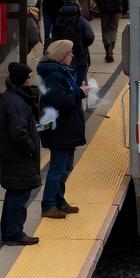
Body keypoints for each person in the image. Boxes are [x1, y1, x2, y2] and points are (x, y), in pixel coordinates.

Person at [37, 40, 89, 219]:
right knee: (58, 168)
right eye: (69, 52)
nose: (72, 55)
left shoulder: (61, 72)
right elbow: (61, 102)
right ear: (60, 56)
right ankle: (48, 205)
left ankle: (59, 200)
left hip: (66, 130)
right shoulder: (54, 77)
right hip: (60, 130)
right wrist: (80, 93)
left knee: (65, 168)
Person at [0, 62, 41, 246]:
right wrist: (31, 149)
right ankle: (15, 233)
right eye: (28, 77)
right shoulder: (16, 103)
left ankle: (8, 232)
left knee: (13, 194)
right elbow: (19, 133)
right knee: (20, 195)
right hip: (19, 157)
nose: (30, 79)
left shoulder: (13, 97)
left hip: (13, 157)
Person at [50, 0, 94, 88]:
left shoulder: (58, 19)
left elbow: (53, 36)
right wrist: (83, 44)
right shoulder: (80, 20)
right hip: (80, 55)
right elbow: (90, 36)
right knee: (81, 84)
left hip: (62, 55)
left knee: (66, 82)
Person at [27, 0, 43, 65]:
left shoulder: (30, 12)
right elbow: (33, 31)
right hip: (31, 45)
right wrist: (38, 45)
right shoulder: (30, 14)